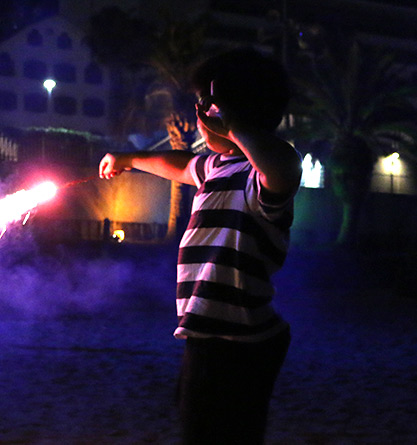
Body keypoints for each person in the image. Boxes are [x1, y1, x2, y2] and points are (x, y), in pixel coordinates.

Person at [99, 47, 302, 444]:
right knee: (198, 420)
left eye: (205, 106)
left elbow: (283, 165)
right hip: (207, 335)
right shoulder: (214, 167)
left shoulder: (260, 176)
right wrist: (129, 159)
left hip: (240, 343)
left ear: (231, 115)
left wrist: (233, 125)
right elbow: (175, 165)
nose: (198, 114)